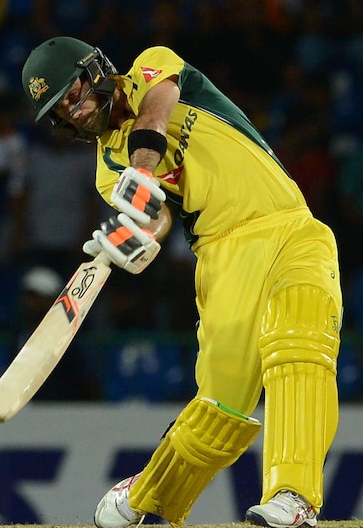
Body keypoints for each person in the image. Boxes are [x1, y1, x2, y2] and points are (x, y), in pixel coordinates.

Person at [20, 37, 341, 528]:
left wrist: (143, 172)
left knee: (302, 349)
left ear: (95, 68)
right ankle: (147, 494)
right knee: (222, 408)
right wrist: (128, 239)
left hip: (293, 225)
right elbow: (160, 222)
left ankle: (293, 497)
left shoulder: (153, 65)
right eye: (61, 108)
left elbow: (154, 114)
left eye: (73, 91)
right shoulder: (109, 173)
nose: (75, 111)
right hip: (223, 254)